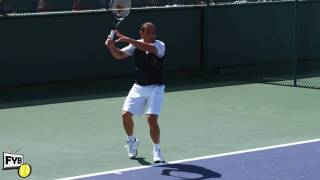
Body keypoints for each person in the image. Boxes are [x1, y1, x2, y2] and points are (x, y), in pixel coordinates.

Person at [105, 22, 165, 163]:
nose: (152, 35)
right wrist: (111, 46)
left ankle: (157, 149)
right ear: (141, 33)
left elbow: (149, 48)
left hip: (156, 88)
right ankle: (132, 141)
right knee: (125, 115)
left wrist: (129, 40)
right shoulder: (135, 45)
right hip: (138, 87)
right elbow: (119, 55)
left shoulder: (160, 45)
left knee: (151, 118)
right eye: (149, 32)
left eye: (153, 32)